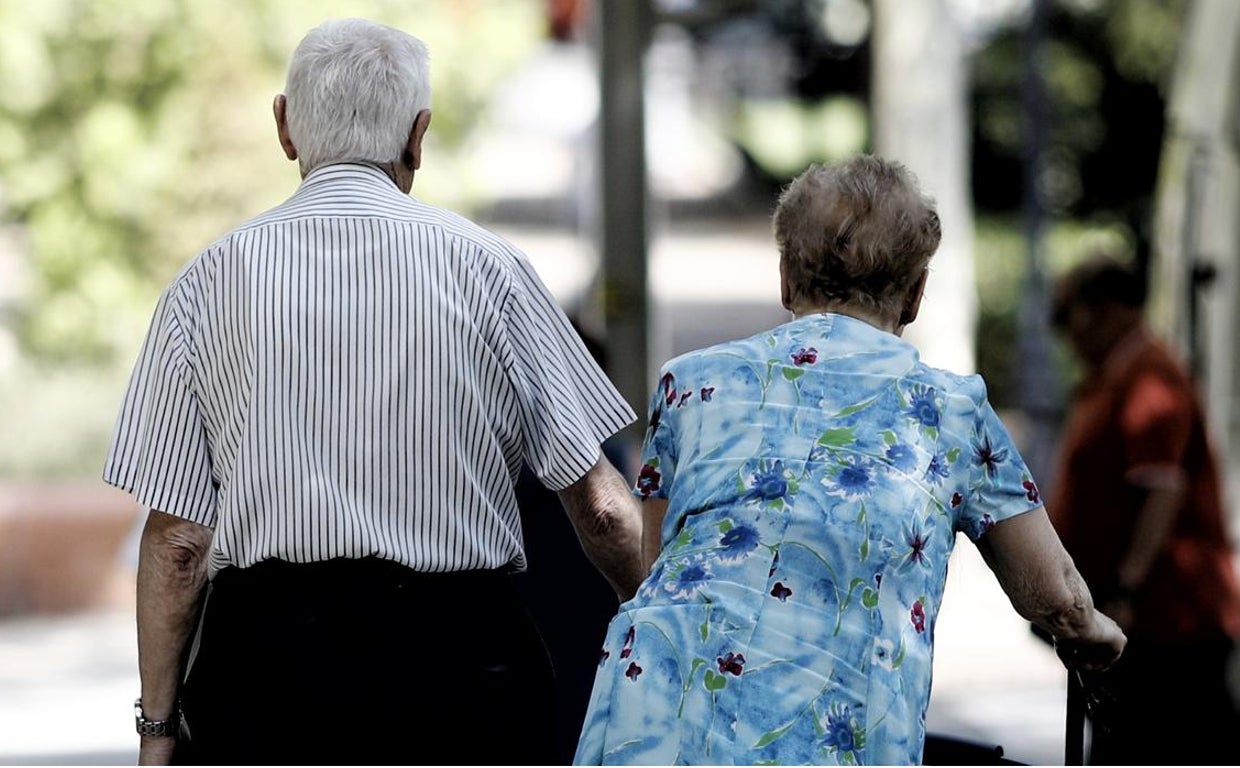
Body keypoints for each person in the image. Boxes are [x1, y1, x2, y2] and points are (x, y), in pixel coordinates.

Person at [102, 18, 643, 766]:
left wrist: (157, 733)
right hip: (463, 670)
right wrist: (648, 615)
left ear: (284, 126)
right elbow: (604, 509)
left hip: (266, 679)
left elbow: (179, 544)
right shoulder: (491, 272)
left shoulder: (206, 284)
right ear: (418, 136)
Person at [573, 156, 1125, 766]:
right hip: (836, 732)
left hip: (652, 719)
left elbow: (657, 567)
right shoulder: (949, 409)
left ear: (785, 278)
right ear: (915, 296)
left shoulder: (689, 385)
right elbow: (1055, 596)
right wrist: (1093, 631)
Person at [1048, 256, 1240, 765]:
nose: (1062, 332)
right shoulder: (1118, 374)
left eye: (1066, 314)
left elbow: (1162, 489)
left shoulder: (1150, 376)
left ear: (1105, 310)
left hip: (1169, 621)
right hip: (1140, 621)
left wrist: (1126, 587)